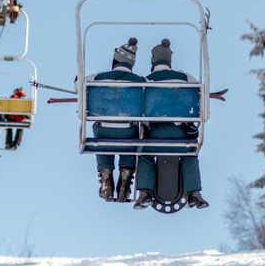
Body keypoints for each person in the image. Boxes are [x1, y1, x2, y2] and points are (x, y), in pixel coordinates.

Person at [133, 39, 209, 210]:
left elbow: (139, 108)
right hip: (181, 134)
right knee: (190, 154)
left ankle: (145, 193)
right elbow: (199, 94)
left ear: (153, 62)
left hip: (157, 134)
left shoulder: (146, 81)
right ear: (169, 61)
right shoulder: (185, 77)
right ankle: (193, 193)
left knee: (145, 155)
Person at [88, 38, 143, 202]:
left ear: (115, 60)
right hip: (127, 130)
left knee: (103, 143)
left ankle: (106, 179)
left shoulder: (98, 77)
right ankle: (125, 178)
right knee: (130, 144)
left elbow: (78, 85)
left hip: (103, 127)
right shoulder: (140, 80)